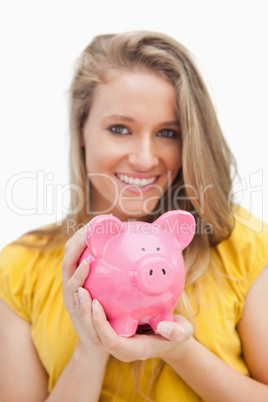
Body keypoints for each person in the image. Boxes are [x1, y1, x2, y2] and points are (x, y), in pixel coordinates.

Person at [0, 31, 267, 402]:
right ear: (81, 127)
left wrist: (180, 351)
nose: (144, 158)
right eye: (120, 129)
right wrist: (89, 349)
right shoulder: (21, 268)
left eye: (167, 133)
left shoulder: (241, 246)